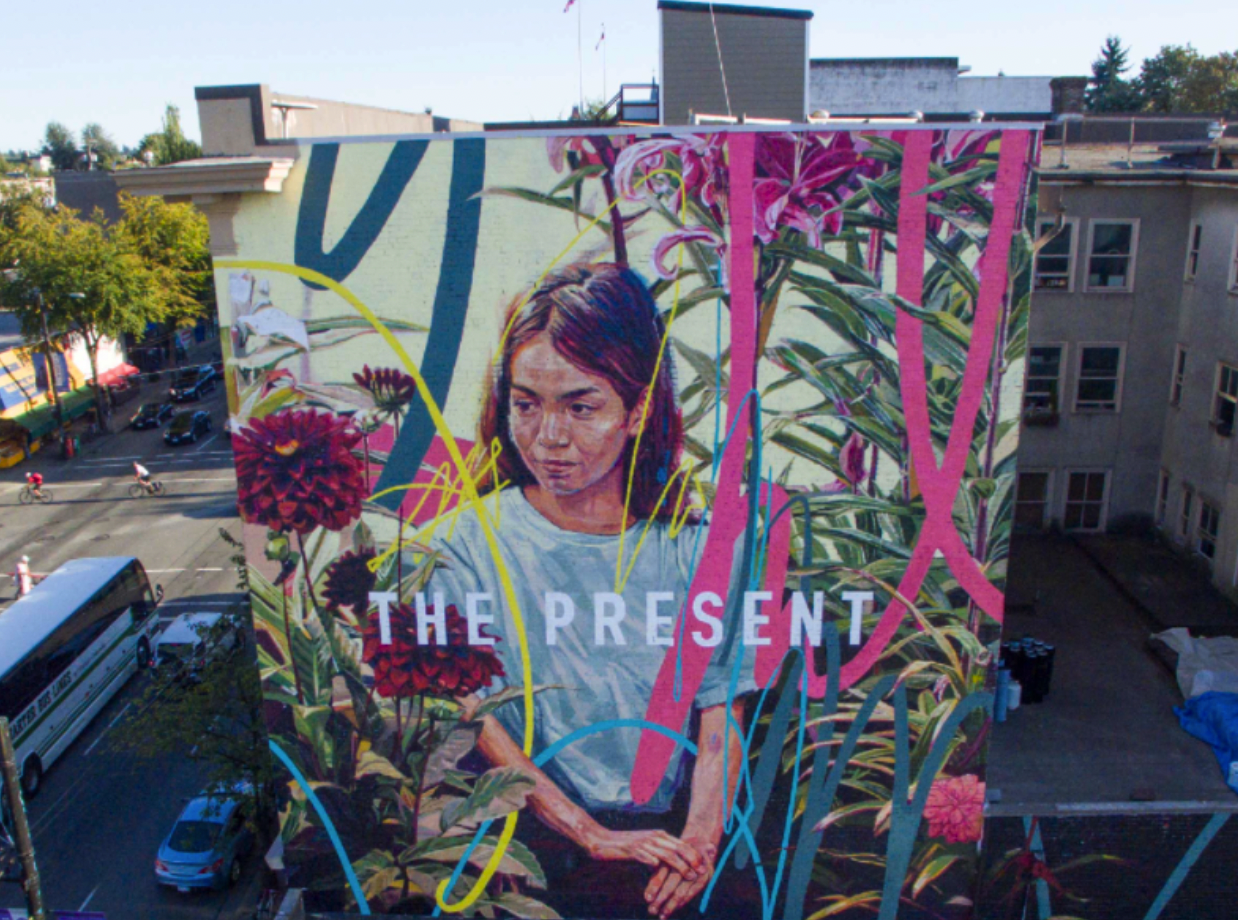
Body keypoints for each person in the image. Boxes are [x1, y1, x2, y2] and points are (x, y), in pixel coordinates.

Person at [421, 264, 756, 919]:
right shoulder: (462, 545)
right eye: (526, 404)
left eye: (581, 407)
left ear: (638, 410)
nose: (549, 437)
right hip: (526, 846)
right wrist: (589, 833)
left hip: (671, 844)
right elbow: (476, 714)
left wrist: (699, 841)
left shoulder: (701, 544)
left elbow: (722, 707)